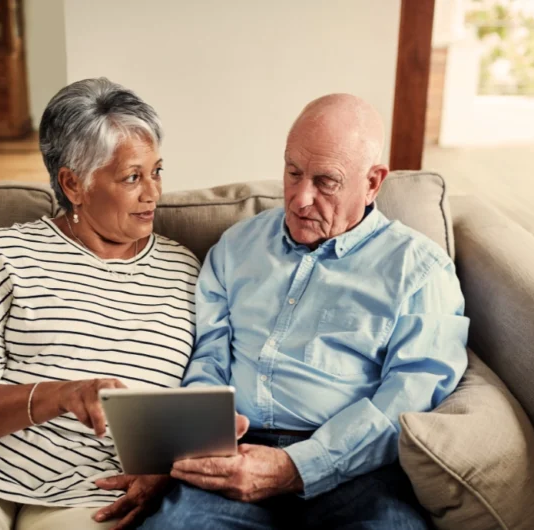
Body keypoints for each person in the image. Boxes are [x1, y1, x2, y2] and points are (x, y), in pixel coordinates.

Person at [136, 94, 470, 529]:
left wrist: (297, 467)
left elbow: (411, 398)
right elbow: (209, 356)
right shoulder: (236, 247)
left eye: (326, 182)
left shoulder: (419, 270)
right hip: (235, 454)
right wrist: (200, 436)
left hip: (356, 469)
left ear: (372, 183)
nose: (299, 199)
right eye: (293, 172)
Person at [0, 78, 202, 530]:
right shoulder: (4, 253)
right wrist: (61, 395)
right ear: (73, 184)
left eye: (157, 171)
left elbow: (206, 394)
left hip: (96, 486)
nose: (153, 193)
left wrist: (166, 467)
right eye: (132, 177)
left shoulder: (185, 270)